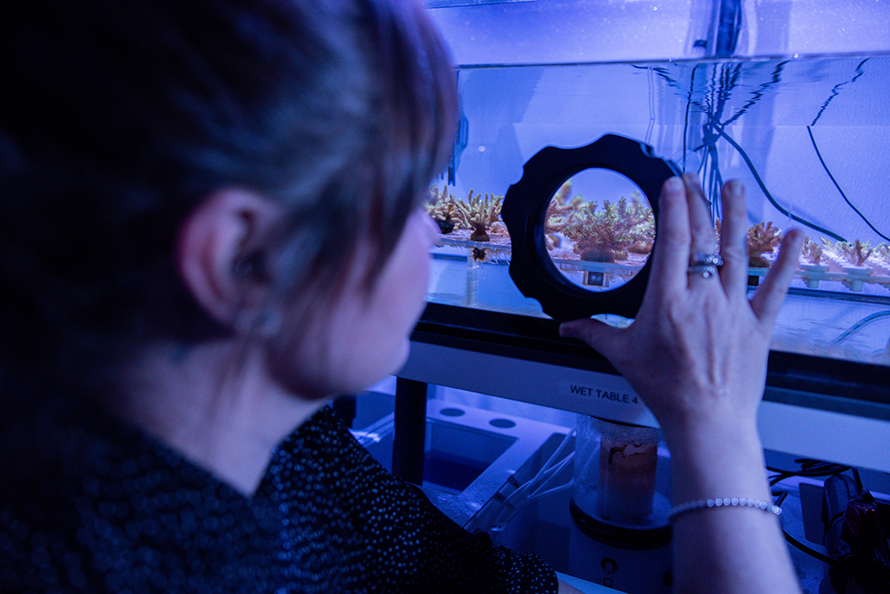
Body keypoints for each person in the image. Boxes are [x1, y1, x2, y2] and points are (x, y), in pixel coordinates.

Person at [0, 1, 802, 593]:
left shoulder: (281, 455)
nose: (430, 238)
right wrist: (715, 425)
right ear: (242, 262)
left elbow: (465, 577)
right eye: (408, 201)